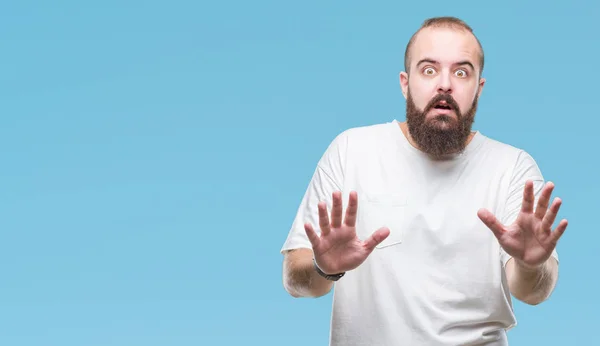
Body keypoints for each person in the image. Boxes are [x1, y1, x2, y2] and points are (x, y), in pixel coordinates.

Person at [279, 16, 568, 346]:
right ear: (405, 83)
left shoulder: (512, 167)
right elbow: (295, 279)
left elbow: (533, 291)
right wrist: (324, 268)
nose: (444, 85)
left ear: (479, 88)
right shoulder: (351, 151)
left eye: (462, 72)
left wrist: (531, 264)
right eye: (429, 70)